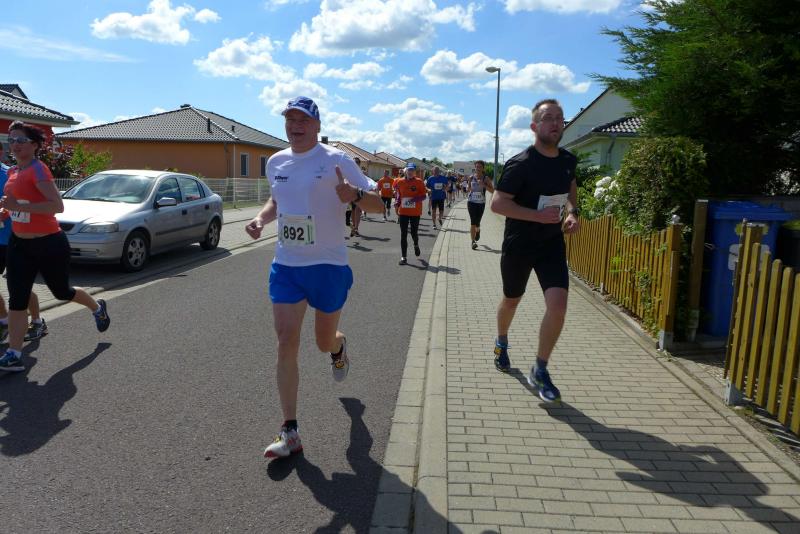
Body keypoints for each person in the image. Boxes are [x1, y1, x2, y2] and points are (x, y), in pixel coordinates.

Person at [244, 96, 383, 459]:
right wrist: (260, 219)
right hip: (287, 265)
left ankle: (338, 347)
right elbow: (277, 201)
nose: (295, 126)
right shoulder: (276, 162)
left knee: (322, 342)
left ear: (317, 126)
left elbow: (379, 204)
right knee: (285, 341)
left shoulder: (337, 160)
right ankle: (289, 430)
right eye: (290, 119)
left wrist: (354, 195)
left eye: (303, 120)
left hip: (328, 265)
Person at [0, 121, 110, 372]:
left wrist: (19, 207)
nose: (15, 144)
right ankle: (14, 353)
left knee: (61, 291)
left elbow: (56, 206)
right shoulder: (13, 171)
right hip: (19, 244)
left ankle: (97, 307)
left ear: (34, 145)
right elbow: (17, 204)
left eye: (21, 140)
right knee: (17, 298)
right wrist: (5, 212)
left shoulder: (38, 170)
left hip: (49, 243)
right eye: (11, 139)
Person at [489, 99, 580, 403]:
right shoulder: (521, 164)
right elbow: (498, 204)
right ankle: (502, 341)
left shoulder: (568, 160)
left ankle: (540, 368)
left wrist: (572, 213)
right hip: (520, 244)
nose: (555, 123)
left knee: (559, 306)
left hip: (551, 244)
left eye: (559, 118)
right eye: (548, 118)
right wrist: (536, 216)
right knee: (511, 300)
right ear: (534, 126)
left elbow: (570, 188)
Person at [0, 143, 44, 344]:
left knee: (19, 286)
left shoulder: (9, 174)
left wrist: (5, 211)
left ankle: (37, 321)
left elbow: (23, 201)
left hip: (15, 238)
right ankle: (4, 320)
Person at [393, 163, 426, 265]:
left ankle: (416, 244)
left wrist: (414, 199)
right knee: (403, 234)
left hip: (415, 212)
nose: (410, 172)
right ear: (405, 171)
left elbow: (424, 196)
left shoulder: (419, 182)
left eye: (412, 170)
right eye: (409, 170)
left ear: (414, 172)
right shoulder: (399, 182)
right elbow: (399, 195)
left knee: (414, 233)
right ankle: (404, 257)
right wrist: (397, 203)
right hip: (403, 212)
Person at [467, 160, 495, 250]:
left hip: (481, 203)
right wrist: (468, 188)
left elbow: (493, 191)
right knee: (473, 222)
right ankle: (473, 242)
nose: (478, 168)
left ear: (483, 168)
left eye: (480, 167)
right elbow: (468, 188)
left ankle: (478, 230)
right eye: (477, 167)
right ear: (475, 168)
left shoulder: (486, 179)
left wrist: (484, 185)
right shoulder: (471, 177)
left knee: (477, 222)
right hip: (471, 202)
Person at [425, 166, 448, 230]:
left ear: (439, 171)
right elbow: (426, 186)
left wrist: (445, 187)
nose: (436, 172)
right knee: (433, 211)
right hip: (433, 197)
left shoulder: (443, 178)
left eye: (437, 171)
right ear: (433, 171)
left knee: (441, 211)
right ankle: (434, 224)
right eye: (435, 171)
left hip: (441, 196)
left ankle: (439, 218)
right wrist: (428, 189)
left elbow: (447, 186)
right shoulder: (430, 178)